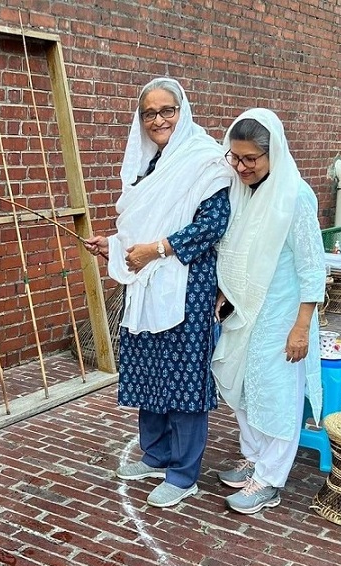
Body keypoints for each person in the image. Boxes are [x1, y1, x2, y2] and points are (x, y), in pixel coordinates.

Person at [84, 77, 231, 508]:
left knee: (184, 377)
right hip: (147, 285)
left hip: (189, 287)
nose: (158, 120)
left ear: (183, 111)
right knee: (149, 369)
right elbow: (142, 228)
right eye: (150, 113)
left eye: (167, 110)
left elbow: (212, 224)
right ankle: (157, 454)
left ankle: (184, 474)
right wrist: (114, 244)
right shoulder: (148, 167)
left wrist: (157, 250)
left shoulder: (205, 161)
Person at [211, 108, 326, 515]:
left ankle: (271, 478)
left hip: (282, 313)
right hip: (246, 312)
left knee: (277, 395)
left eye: (250, 159)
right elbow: (236, 248)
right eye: (235, 157)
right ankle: (253, 457)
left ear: (273, 154)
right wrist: (226, 291)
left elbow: (312, 265)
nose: (241, 167)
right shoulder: (242, 190)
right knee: (243, 388)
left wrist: (301, 326)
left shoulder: (295, 195)